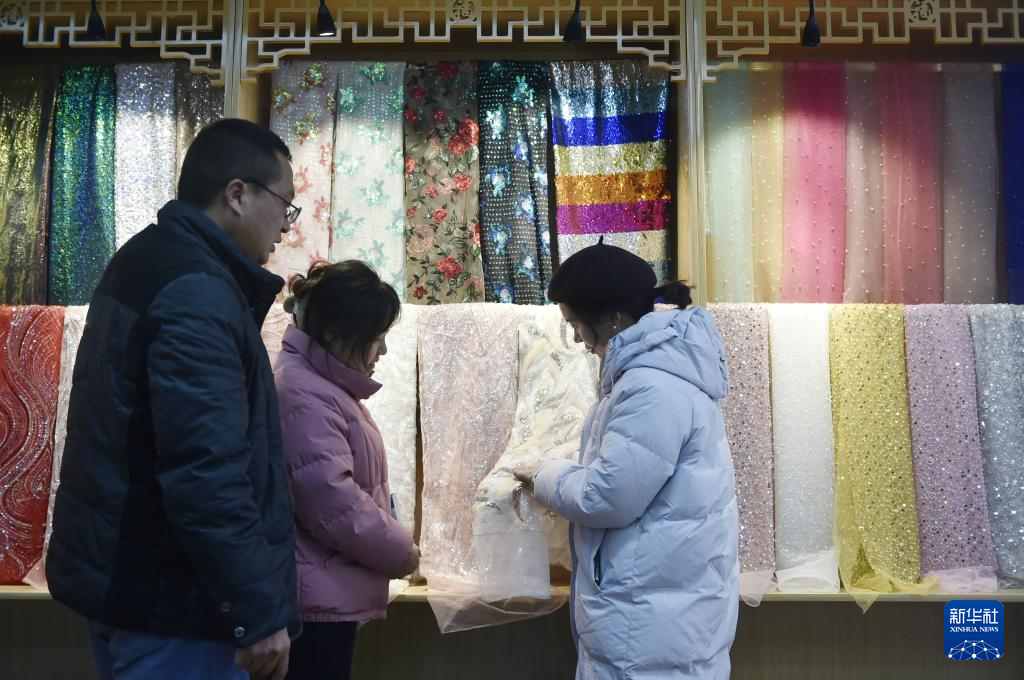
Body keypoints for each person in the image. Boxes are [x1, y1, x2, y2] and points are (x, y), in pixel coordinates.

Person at [46, 118, 301, 680]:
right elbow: (205, 468)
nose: (287, 226)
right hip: (178, 604)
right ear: (237, 194)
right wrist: (255, 609)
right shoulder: (196, 290)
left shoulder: (150, 258)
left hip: (138, 584)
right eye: (285, 204)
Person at [513, 239, 740, 679]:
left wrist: (546, 476)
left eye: (576, 325)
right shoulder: (658, 372)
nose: (577, 340)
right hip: (660, 606)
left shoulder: (650, 386)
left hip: (649, 618)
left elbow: (608, 497)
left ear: (613, 318)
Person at [274, 260, 420, 680]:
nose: (383, 352)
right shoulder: (304, 394)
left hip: (320, 591)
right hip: (313, 604)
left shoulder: (320, 386)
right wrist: (401, 551)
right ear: (335, 334)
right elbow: (333, 502)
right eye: (376, 339)